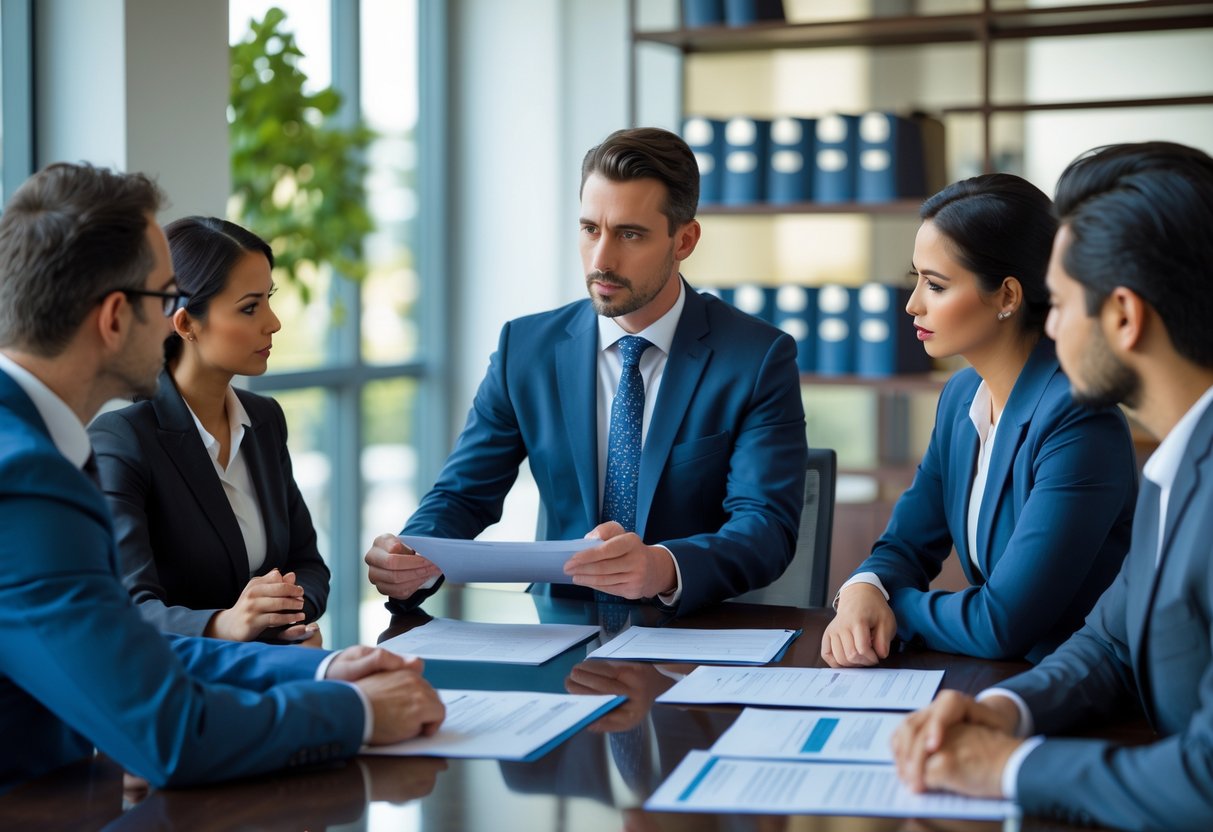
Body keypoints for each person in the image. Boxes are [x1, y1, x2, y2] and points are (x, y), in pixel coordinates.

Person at [0, 162, 444, 795]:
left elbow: (122, 650)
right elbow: (169, 734)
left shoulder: (37, 449)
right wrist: (363, 713)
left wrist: (323, 671)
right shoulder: (25, 480)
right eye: (165, 299)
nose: (172, 320)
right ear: (116, 317)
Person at [890, 142, 1213, 830]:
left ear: (1122, 317)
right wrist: (1003, 711)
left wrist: (1003, 766)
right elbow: (1111, 643)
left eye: (1060, 303)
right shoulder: (1175, 464)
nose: (1051, 326)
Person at [365, 127, 808, 615]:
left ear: (684, 240)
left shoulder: (757, 357)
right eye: (590, 229)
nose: (602, 259)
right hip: (557, 628)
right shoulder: (526, 349)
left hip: (697, 633)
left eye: (629, 234)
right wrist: (412, 554)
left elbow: (765, 528)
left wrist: (662, 566)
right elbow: (463, 494)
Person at [822, 173, 1137, 667]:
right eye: (916, 279)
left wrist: (888, 605)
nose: (913, 305)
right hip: (1001, 679)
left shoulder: (1079, 420)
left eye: (936, 285)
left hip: (1082, 695)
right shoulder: (961, 396)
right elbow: (906, 542)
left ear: (1007, 296)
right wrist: (867, 584)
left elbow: (1002, 623)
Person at [89, 217, 329, 645]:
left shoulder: (265, 419)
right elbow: (129, 607)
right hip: (185, 687)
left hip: (269, 668)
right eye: (250, 307)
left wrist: (287, 621)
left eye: (268, 300)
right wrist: (226, 624)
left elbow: (307, 563)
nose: (273, 323)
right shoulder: (122, 441)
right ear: (185, 324)